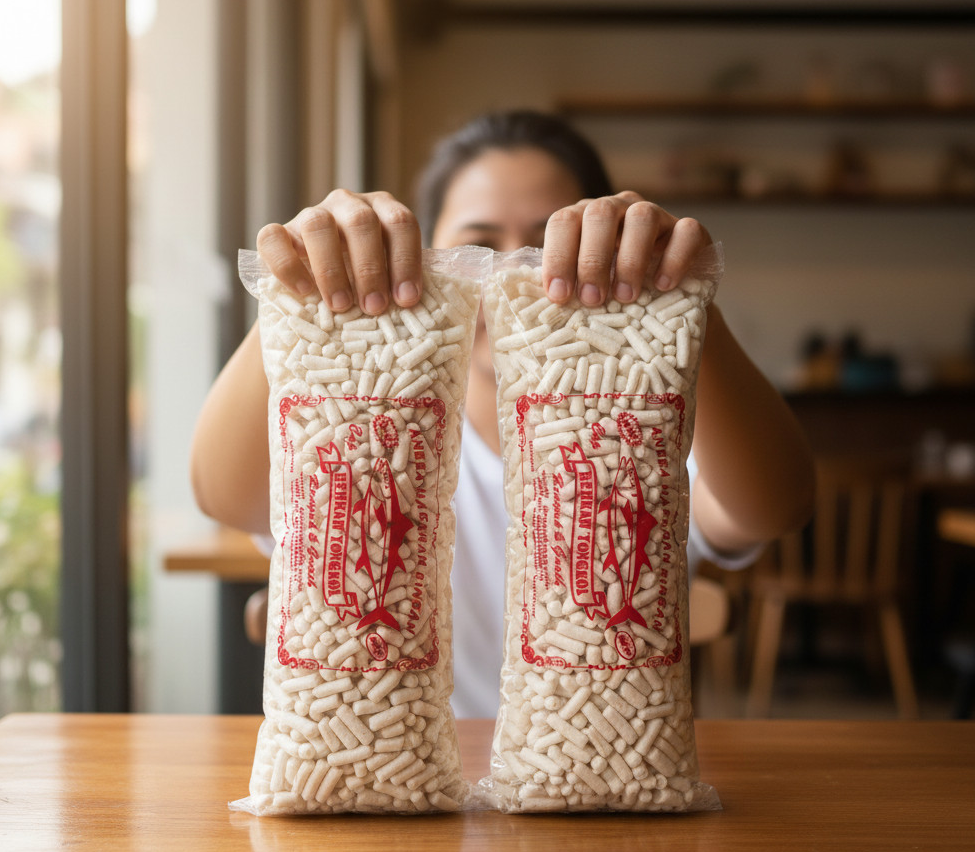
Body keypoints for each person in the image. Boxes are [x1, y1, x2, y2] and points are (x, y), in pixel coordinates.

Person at [191, 109, 815, 717]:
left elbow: (768, 507)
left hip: (585, 786)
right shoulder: (369, 430)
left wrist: (690, 304)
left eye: (549, 245)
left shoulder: (634, 436)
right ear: (429, 262)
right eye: (480, 247)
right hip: (404, 790)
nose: (516, 280)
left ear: (613, 254)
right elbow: (225, 494)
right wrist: (294, 294)